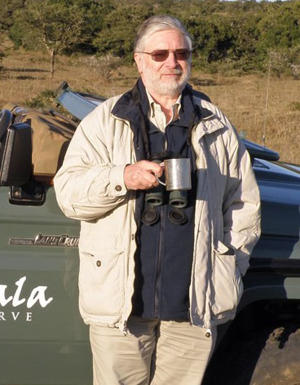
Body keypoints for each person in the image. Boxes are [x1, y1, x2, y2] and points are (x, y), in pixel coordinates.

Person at [54, 15, 261, 385]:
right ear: (139, 59)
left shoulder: (214, 124)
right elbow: (69, 193)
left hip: (193, 306)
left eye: (181, 53)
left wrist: (227, 262)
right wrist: (122, 177)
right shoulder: (106, 121)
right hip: (122, 309)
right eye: (160, 53)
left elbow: (243, 203)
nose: (172, 62)